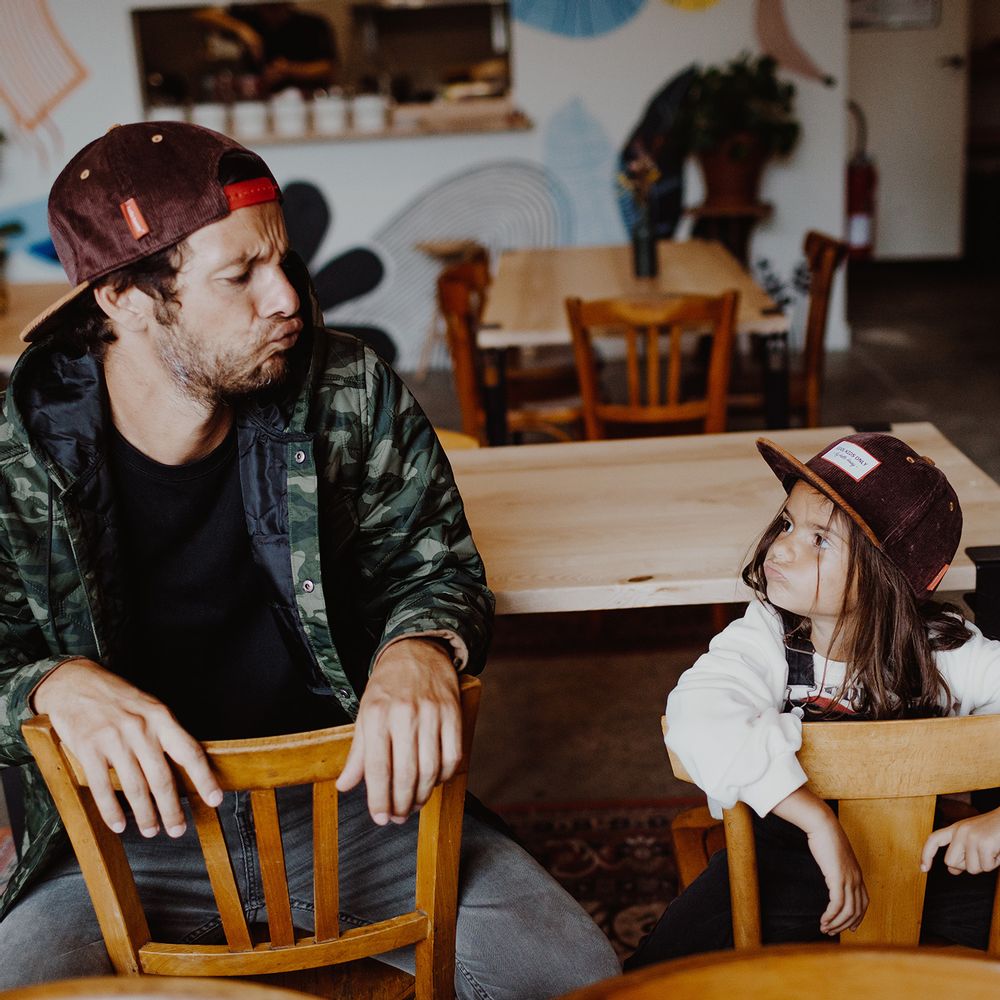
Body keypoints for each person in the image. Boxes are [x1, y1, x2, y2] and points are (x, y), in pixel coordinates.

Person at [0, 121, 621, 994]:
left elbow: (434, 565)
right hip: (121, 830)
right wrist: (51, 683)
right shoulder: (15, 450)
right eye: (240, 275)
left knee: (584, 981)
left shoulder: (349, 387)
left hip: (357, 801)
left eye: (282, 262)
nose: (287, 297)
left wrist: (421, 647)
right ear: (125, 301)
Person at [626, 432, 1000, 967]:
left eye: (820, 540)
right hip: (785, 858)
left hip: (923, 862)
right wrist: (817, 822)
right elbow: (697, 713)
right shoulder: (767, 635)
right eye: (787, 523)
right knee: (657, 974)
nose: (781, 547)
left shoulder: (950, 654)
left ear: (885, 579)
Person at [196, 3, 338, 95]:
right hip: (261, 100)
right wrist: (241, 29)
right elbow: (202, 15)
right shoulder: (250, 18)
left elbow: (327, 67)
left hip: (307, 101)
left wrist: (288, 69)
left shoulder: (313, 24)